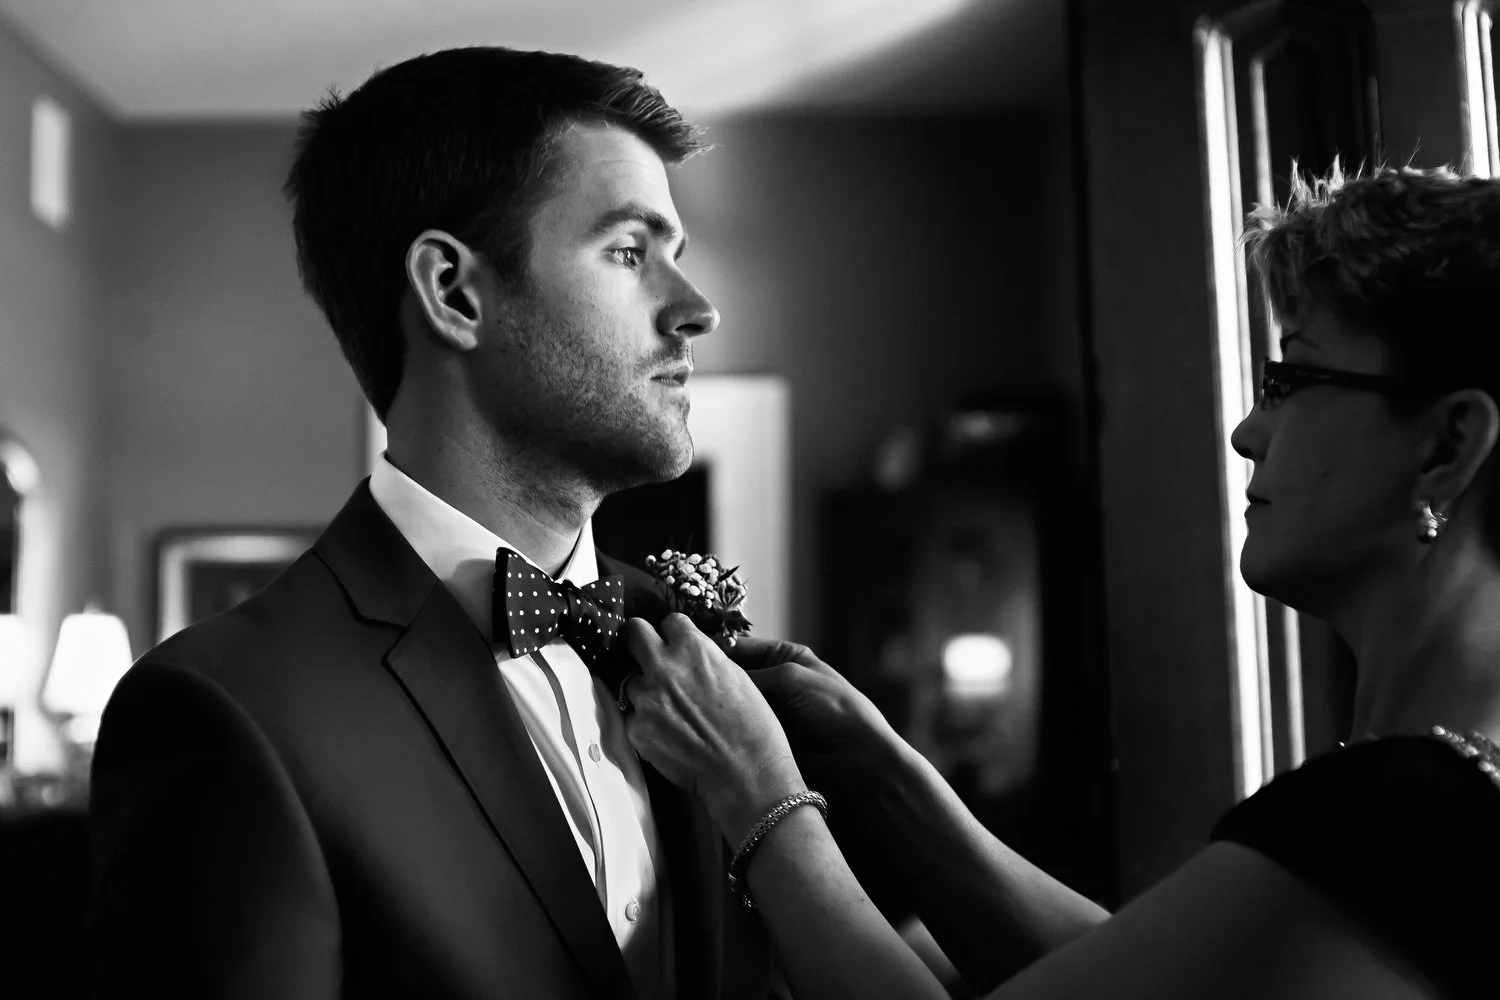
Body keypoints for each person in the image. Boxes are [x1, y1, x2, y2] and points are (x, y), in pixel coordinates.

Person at [619, 161, 1500, 999]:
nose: (1247, 431)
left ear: (1447, 444)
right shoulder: (1434, 801)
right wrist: (879, 763)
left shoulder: (1419, 817)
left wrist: (760, 794)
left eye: (1291, 378)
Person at [86, 46, 784, 1000]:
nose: (695, 311)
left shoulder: (683, 648)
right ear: (455, 293)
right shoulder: (225, 711)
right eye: (629, 251)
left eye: (677, 258)